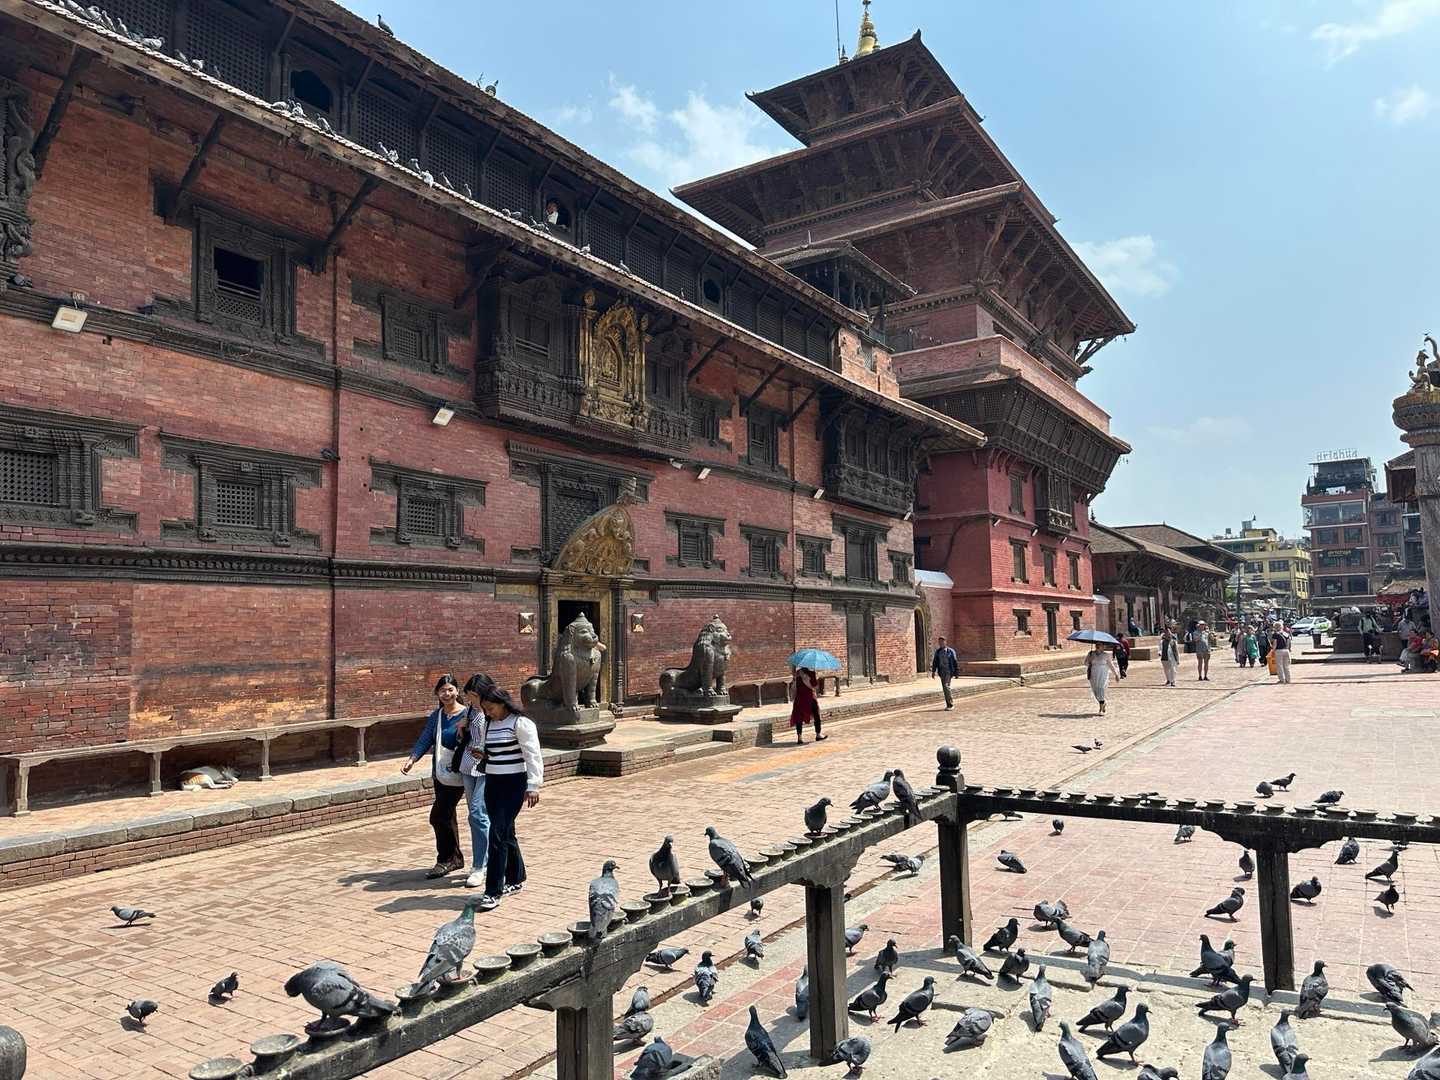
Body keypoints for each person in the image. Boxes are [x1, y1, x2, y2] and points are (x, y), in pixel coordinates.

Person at [461, 679, 543, 910]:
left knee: (496, 835)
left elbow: (533, 756)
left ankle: (493, 891)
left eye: (491, 708)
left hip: (514, 784)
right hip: (493, 782)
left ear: (503, 703)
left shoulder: (521, 723)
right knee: (506, 832)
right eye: (485, 709)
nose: (488, 713)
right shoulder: (489, 724)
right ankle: (516, 878)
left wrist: (533, 785)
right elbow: (491, 752)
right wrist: (482, 754)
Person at [401, 674, 471, 879]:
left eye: (450, 689)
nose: (447, 694)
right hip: (440, 773)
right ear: (437, 693)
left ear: (457, 691)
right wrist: (413, 759)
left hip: (460, 772)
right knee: (447, 815)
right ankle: (454, 858)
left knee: (438, 816)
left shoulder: (467, 714)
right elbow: (426, 738)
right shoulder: (437, 716)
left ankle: (446, 859)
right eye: (442, 690)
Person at [451, 673, 496, 887]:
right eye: (469, 695)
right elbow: (467, 736)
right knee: (476, 817)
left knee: (478, 814)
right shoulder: (471, 710)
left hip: (487, 767)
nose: (471, 699)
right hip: (468, 765)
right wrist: (462, 728)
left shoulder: (493, 711)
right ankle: (484, 860)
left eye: (474, 695)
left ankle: (481, 865)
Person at [790, 667, 826, 743]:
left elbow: (794, 688)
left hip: (799, 699)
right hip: (810, 698)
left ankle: (799, 738)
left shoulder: (797, 675)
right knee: (816, 715)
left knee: (799, 717)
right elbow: (815, 686)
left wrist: (793, 699)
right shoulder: (811, 673)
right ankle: (818, 734)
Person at [1085, 644, 1121, 714]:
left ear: (1103, 646)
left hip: (1103, 674)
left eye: (1100, 645)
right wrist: (1089, 661)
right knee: (1095, 691)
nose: (1098, 646)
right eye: (1097, 644)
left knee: (1101, 689)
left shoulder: (1106, 655)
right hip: (1093, 674)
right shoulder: (1091, 654)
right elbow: (1085, 663)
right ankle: (1103, 702)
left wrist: (1116, 674)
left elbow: (1111, 665)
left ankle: (1101, 708)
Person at [930, 636, 960, 709]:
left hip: (949, 671)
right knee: (945, 687)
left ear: (945, 642)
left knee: (946, 686)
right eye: (939, 642)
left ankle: (950, 704)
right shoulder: (938, 652)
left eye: (942, 642)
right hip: (941, 671)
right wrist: (933, 671)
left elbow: (955, 662)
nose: (941, 643)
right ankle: (948, 704)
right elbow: (935, 662)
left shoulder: (951, 651)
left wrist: (956, 673)